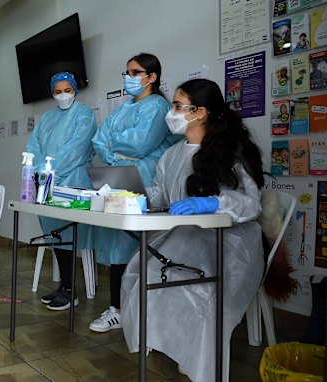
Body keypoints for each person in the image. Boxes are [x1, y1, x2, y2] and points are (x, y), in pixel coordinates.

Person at [120, 79, 266, 382]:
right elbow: (161, 192)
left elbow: (251, 205)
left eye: (177, 106)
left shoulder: (226, 152)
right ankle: (177, 345)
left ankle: (198, 357)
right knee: (144, 275)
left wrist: (213, 203)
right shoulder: (172, 155)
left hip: (229, 244)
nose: (170, 112)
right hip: (186, 237)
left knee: (198, 287)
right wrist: (131, 194)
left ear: (199, 112)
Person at [89, 53, 178, 332]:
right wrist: (117, 154)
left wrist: (114, 149)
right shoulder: (123, 108)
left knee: (140, 245)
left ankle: (143, 311)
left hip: (146, 180)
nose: (129, 78)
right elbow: (98, 141)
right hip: (117, 177)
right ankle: (116, 308)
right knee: (117, 243)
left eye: (135, 72)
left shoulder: (158, 107)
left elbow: (140, 145)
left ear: (151, 77)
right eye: (126, 72)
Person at [26, 72, 97, 310]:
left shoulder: (84, 114)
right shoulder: (47, 118)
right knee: (54, 233)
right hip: (47, 183)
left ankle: (70, 291)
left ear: (75, 90)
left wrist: (50, 168)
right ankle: (64, 286)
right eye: (57, 91)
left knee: (67, 234)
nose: (62, 95)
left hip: (73, 180)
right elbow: (33, 145)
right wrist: (39, 168)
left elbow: (77, 147)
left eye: (67, 90)